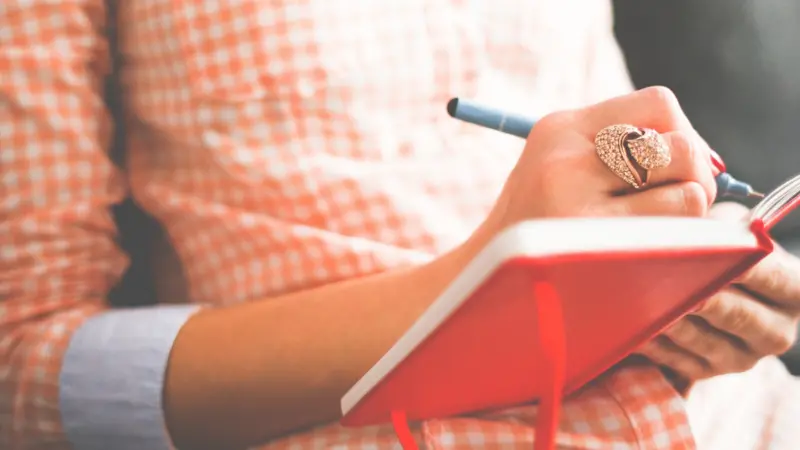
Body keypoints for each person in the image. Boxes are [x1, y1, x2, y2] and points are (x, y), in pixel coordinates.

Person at [2, 1, 800, 449]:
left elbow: (608, 149)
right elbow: (22, 369)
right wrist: (479, 289)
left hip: (737, 417)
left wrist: (693, 252)